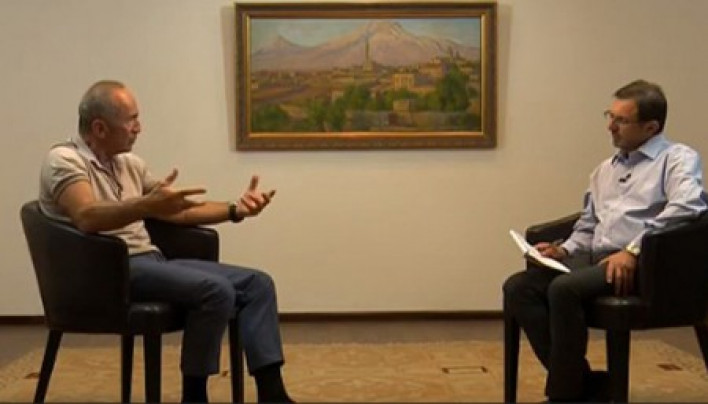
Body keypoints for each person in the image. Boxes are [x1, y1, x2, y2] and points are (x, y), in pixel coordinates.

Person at [38, 80, 293, 403]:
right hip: (107, 272)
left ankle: (273, 394)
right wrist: (146, 205)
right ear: (99, 128)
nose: (138, 128)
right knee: (216, 290)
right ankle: (194, 396)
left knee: (258, 284)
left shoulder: (128, 163)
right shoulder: (64, 160)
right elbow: (87, 216)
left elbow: (176, 210)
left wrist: (235, 210)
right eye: (131, 120)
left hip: (150, 262)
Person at [503, 79, 708, 402]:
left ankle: (564, 396)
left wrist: (633, 250)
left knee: (564, 289)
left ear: (651, 127)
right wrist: (562, 249)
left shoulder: (677, 159)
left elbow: (687, 207)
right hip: (598, 258)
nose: (610, 127)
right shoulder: (604, 170)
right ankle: (586, 385)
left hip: (647, 265)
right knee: (519, 287)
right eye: (609, 116)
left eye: (621, 120)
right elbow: (589, 224)